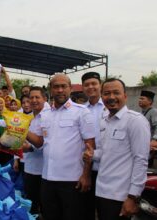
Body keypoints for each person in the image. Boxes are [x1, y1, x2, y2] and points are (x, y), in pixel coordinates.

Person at [27, 74, 96, 220]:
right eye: (56, 87)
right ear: (50, 90)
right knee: (50, 216)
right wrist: (22, 130)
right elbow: (39, 142)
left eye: (63, 86)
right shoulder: (45, 115)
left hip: (72, 180)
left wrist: (86, 175)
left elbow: (90, 146)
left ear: (70, 89)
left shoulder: (81, 112)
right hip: (47, 178)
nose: (60, 90)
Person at [85, 78, 150, 220]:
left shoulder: (135, 121)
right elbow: (107, 152)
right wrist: (92, 154)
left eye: (116, 93)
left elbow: (141, 160)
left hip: (121, 195)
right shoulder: (105, 121)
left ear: (125, 96)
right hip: (102, 191)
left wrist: (132, 197)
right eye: (107, 93)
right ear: (102, 97)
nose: (111, 97)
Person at [81, 71, 108, 220]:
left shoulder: (109, 107)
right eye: (87, 84)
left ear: (100, 85)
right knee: (87, 207)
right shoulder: (81, 110)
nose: (90, 87)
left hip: (108, 167)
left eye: (94, 84)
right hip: (88, 167)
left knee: (106, 209)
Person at [19, 86, 50, 217]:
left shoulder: (48, 116)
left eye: (37, 97)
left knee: (45, 205)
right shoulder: (31, 117)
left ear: (45, 99)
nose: (33, 100)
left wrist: (21, 129)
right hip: (30, 167)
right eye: (31, 97)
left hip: (44, 170)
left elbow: (42, 143)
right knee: (31, 204)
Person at [138, 90, 157, 167]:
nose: (139, 100)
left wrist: (154, 140)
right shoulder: (141, 113)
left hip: (150, 147)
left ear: (150, 101)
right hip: (143, 146)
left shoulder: (153, 112)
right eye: (139, 98)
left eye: (142, 99)